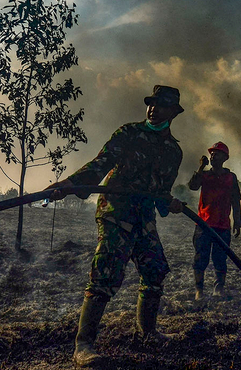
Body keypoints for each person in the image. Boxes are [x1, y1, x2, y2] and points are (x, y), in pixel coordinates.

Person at [44, 85, 186, 367]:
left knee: (155, 271)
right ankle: (83, 346)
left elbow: (160, 192)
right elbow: (100, 165)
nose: (153, 109)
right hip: (115, 212)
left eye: (161, 105)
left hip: (143, 217)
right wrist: (69, 185)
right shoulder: (129, 134)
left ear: (173, 112)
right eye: (151, 103)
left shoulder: (173, 152)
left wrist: (170, 203)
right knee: (106, 273)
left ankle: (147, 333)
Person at [187, 141, 241, 300]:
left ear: (225, 158)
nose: (213, 156)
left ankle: (219, 288)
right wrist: (200, 168)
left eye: (217, 153)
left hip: (222, 225)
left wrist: (238, 221)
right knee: (200, 258)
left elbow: (235, 201)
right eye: (211, 153)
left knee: (220, 258)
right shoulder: (204, 175)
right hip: (203, 225)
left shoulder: (231, 178)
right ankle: (200, 290)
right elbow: (192, 186)